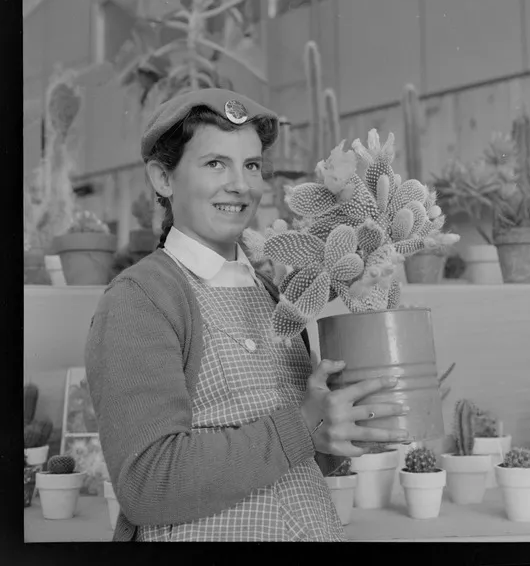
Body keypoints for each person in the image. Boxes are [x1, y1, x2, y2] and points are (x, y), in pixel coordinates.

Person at [85, 88, 409, 542]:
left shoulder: (268, 290)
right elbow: (146, 482)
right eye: (215, 163)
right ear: (163, 178)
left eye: (252, 165)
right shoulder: (141, 299)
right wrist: (303, 426)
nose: (241, 184)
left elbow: (294, 456)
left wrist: (339, 426)